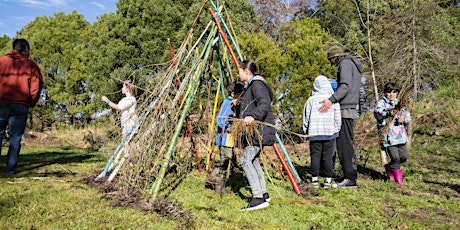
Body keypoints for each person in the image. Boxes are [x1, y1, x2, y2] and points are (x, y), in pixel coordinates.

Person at [319, 45, 363, 188]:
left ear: (335, 57)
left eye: (331, 60)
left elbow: (345, 86)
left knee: (344, 144)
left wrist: (330, 100)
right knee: (346, 142)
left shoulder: (345, 64)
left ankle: (350, 178)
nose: (331, 63)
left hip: (345, 108)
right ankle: (347, 174)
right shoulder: (350, 64)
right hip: (349, 106)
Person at [0, 38, 43, 176]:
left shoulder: (1, 61)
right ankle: (11, 169)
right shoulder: (31, 65)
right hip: (20, 104)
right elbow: (36, 86)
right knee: (15, 138)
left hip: (1, 103)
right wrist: (31, 101)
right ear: (26, 49)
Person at [237, 59, 276, 211]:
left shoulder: (257, 84)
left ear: (247, 71)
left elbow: (264, 104)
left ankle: (258, 198)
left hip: (259, 130)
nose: (238, 74)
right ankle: (264, 194)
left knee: (245, 160)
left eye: (239, 71)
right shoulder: (251, 86)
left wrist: (252, 116)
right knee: (252, 160)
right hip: (258, 131)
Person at [303, 75, 341, 188]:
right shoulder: (333, 100)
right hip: (329, 133)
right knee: (328, 156)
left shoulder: (311, 100)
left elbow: (306, 116)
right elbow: (337, 118)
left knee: (315, 156)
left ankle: (314, 179)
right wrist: (336, 129)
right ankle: (327, 180)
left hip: (314, 133)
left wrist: (306, 130)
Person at [374, 82, 411, 189]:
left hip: (400, 136)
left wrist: (404, 120)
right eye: (389, 92)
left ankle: (389, 168)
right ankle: (398, 182)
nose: (391, 94)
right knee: (395, 158)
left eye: (394, 92)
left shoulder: (400, 104)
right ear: (385, 92)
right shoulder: (381, 103)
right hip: (388, 137)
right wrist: (388, 113)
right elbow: (377, 114)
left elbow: (408, 118)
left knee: (404, 157)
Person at [214, 81, 244, 194]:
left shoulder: (235, 104)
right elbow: (220, 119)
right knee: (224, 161)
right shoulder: (228, 102)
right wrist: (228, 128)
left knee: (227, 161)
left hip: (229, 139)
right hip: (225, 138)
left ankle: (219, 186)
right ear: (233, 94)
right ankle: (216, 184)